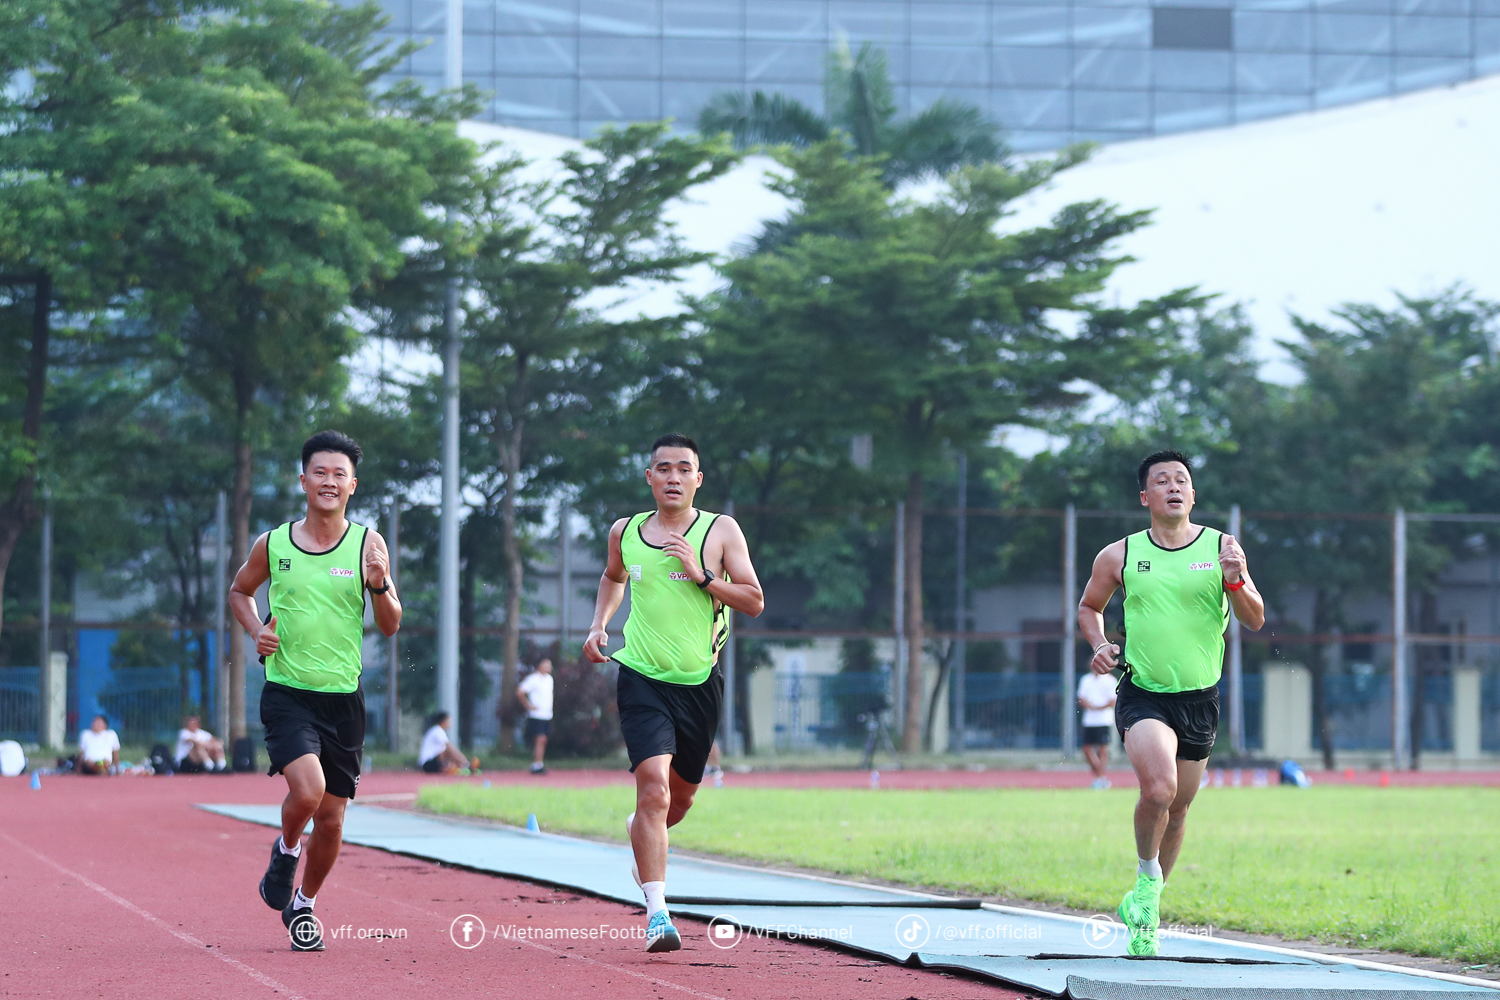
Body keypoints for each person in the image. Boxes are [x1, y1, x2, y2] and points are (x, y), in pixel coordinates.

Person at [1078, 450, 1264, 956]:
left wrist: (1234, 577)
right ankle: (1144, 880)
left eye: (1182, 480)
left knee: (1179, 811)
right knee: (1158, 790)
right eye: (1162, 481)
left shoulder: (1223, 547)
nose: (1173, 487)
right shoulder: (1119, 554)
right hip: (1144, 695)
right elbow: (1089, 607)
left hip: (1200, 699)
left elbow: (1254, 618)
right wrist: (1099, 646)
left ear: (1193, 494)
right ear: (1146, 497)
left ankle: (1146, 907)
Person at [584, 433, 764, 953]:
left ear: (697, 479)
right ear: (649, 477)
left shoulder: (719, 530)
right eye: (663, 469)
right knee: (654, 790)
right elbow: (612, 577)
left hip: (699, 685)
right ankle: (658, 913)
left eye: (684, 469)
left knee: (677, 802)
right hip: (641, 677)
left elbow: (753, 600)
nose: (673, 477)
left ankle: (641, 829)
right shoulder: (627, 531)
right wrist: (599, 624)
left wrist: (702, 576)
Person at [229, 430, 401, 952]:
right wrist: (255, 628)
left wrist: (378, 585)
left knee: (331, 818)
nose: (329, 481)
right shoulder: (274, 543)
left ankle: (303, 904)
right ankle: (284, 851)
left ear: (353, 484)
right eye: (319, 473)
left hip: (342, 699)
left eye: (339, 474)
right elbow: (239, 591)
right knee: (306, 792)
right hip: (287, 692)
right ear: (303, 480)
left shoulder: (368, 543)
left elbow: (391, 624)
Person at [1077, 670, 1118, 789]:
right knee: (1086, 748)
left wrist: (1099, 707)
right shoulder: (1086, 679)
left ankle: (1100, 778)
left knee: (1102, 749)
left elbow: (1113, 700)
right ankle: (1100, 776)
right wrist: (1089, 706)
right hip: (1089, 720)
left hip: (1104, 720)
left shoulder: (1110, 680)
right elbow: (1081, 697)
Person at [517, 659, 554, 775]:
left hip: (547, 715)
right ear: (539, 666)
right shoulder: (533, 679)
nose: (548, 667)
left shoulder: (549, 679)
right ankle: (536, 765)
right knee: (540, 739)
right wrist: (528, 705)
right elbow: (520, 691)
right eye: (546, 665)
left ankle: (539, 763)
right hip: (537, 715)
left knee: (543, 740)